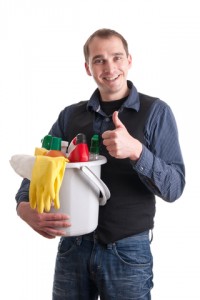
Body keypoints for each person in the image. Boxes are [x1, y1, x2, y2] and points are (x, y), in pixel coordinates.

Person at [15, 28, 185, 299]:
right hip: (72, 248)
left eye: (117, 57)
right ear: (87, 68)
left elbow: (175, 187)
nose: (109, 67)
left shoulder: (156, 112)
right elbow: (40, 166)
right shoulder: (70, 116)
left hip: (128, 251)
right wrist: (23, 207)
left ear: (129, 60)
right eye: (99, 60)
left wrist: (137, 151)